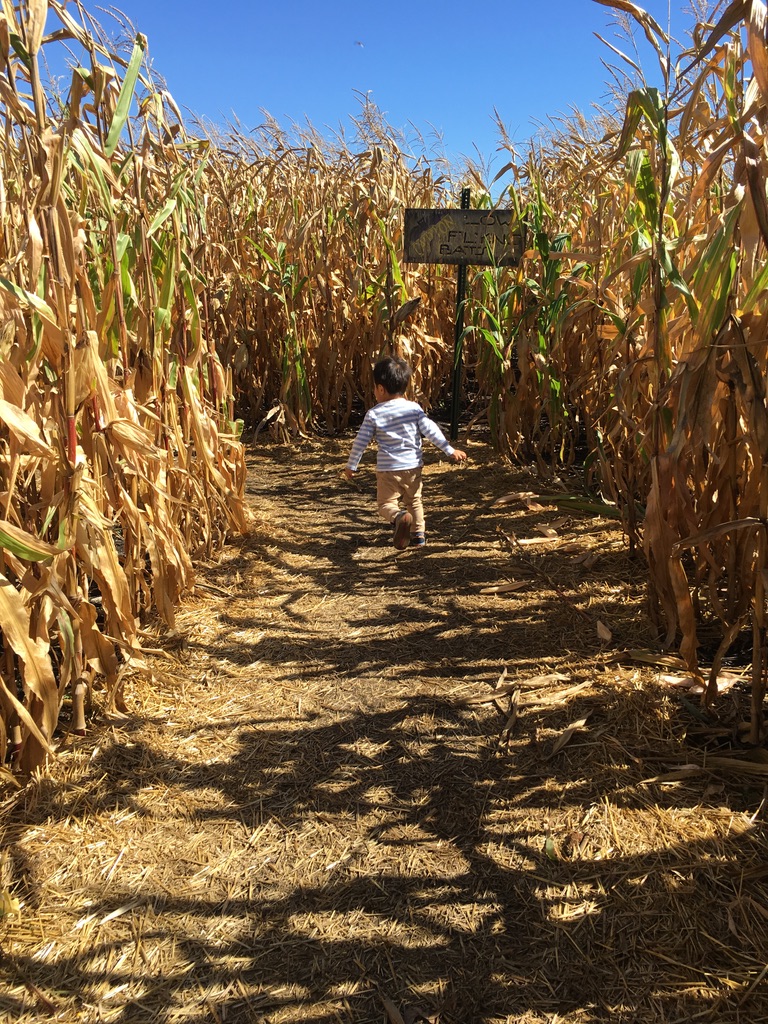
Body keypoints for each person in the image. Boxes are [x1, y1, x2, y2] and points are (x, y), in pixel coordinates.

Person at [344, 356, 467, 549]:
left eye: (375, 388)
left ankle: (398, 517)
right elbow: (431, 430)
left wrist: (351, 466)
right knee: (414, 501)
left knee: (385, 504)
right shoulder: (414, 409)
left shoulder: (374, 414)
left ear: (381, 389)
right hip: (413, 466)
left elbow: (361, 442)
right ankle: (418, 536)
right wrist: (449, 449)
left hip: (388, 469)